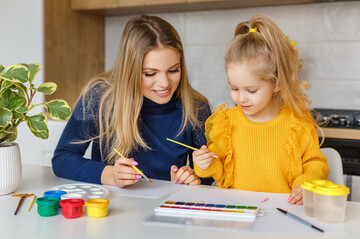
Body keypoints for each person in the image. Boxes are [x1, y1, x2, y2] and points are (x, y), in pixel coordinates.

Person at [52, 15, 213, 188]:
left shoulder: (196, 106)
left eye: (173, 70)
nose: (165, 83)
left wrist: (194, 175)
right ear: (130, 70)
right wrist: (110, 175)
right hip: (113, 207)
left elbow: (210, 172)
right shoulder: (99, 96)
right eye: (150, 73)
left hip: (169, 205)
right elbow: (62, 159)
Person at [192, 14, 329, 205]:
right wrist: (203, 165)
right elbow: (218, 168)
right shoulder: (226, 122)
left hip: (283, 210)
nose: (241, 97)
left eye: (251, 90)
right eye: (234, 88)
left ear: (277, 83)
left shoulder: (296, 122)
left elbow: (316, 163)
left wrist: (305, 185)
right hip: (237, 212)